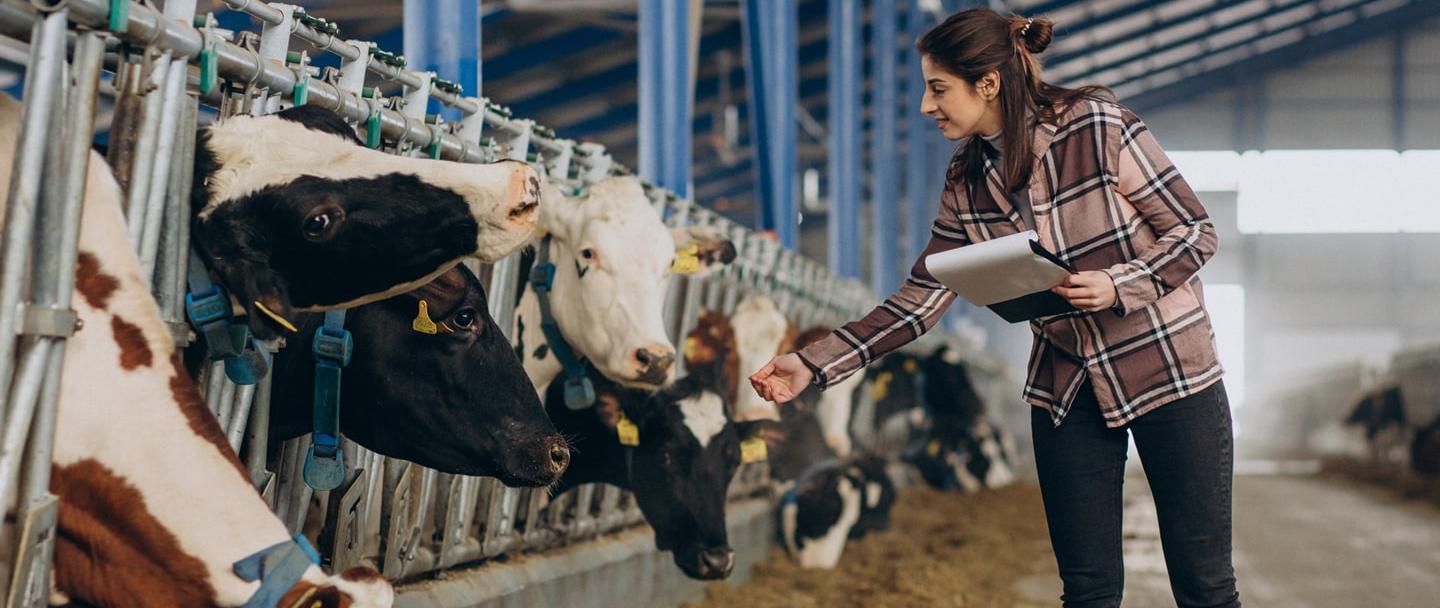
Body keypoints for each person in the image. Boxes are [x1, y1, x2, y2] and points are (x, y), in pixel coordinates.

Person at [748, 8, 1239, 608]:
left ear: (988, 82)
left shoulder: (1100, 126)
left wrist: (1121, 284)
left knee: (1205, 587)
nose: (927, 106)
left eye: (938, 88)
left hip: (1170, 370)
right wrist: (815, 363)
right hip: (1066, 387)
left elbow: (1195, 231)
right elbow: (922, 298)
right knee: (1087, 590)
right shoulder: (965, 179)